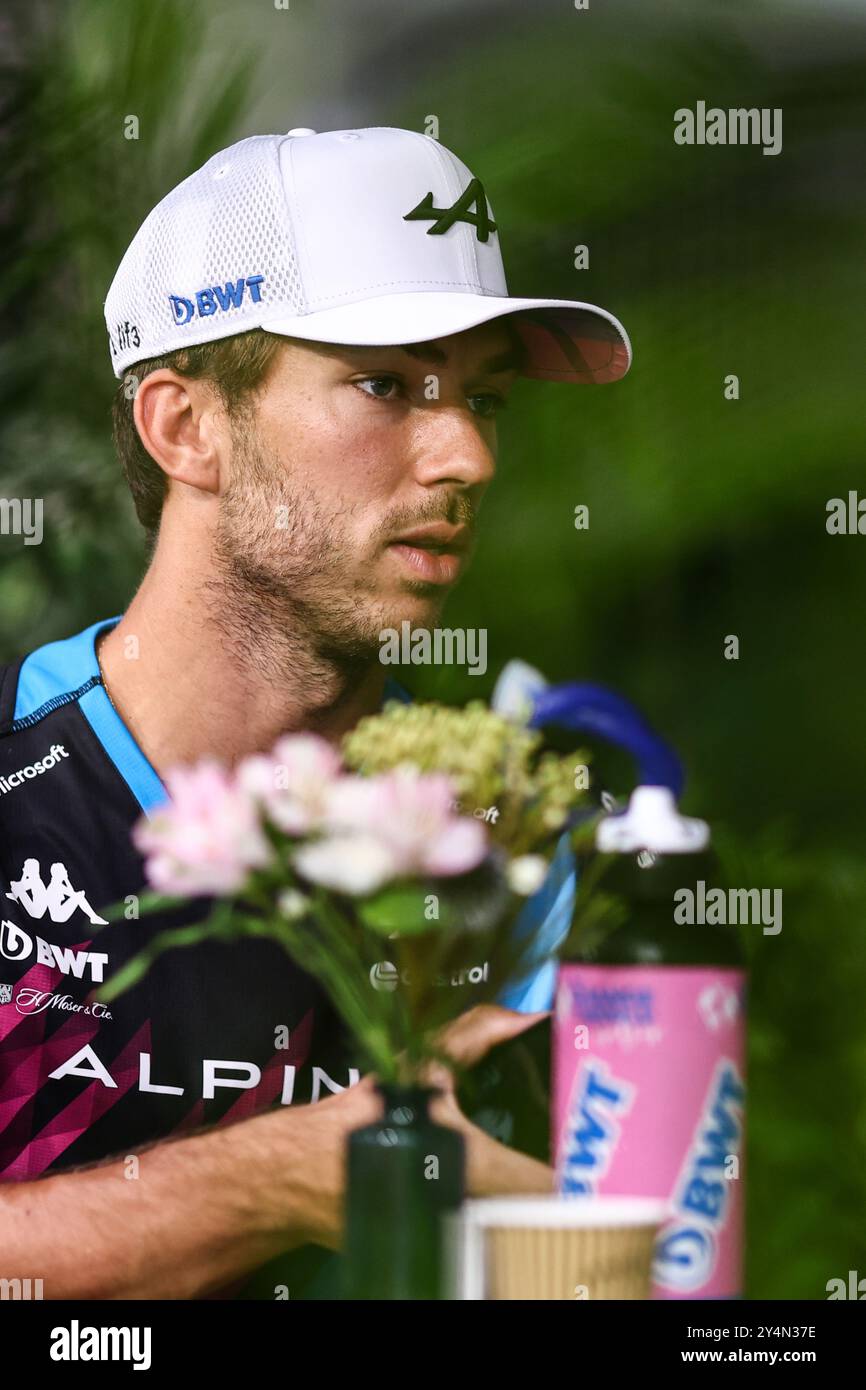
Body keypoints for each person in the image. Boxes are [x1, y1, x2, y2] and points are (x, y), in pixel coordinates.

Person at [0, 125, 630, 1298]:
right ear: (186, 427)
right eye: (386, 384)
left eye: (483, 397)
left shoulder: (521, 840)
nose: (468, 458)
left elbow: (646, 1269)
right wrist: (280, 1179)